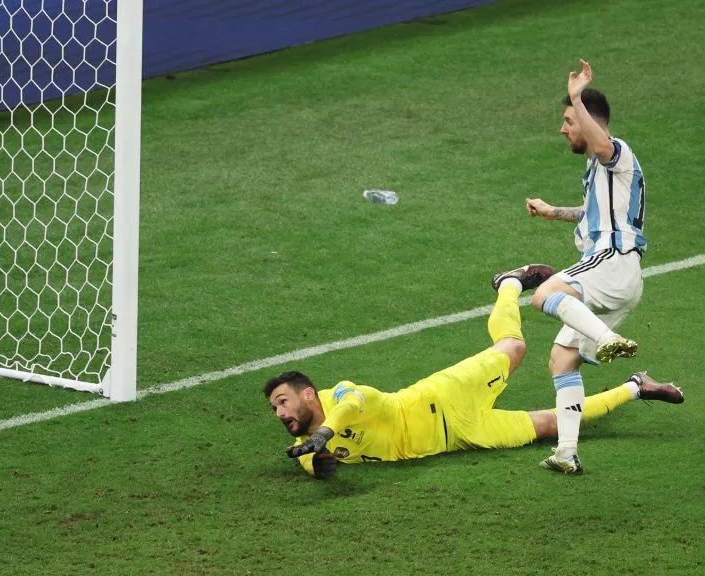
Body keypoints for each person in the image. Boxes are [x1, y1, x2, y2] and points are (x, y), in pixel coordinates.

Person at [264, 265, 681, 479]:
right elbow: (317, 463)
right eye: (274, 409)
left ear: (308, 394)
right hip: (460, 438)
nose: (280, 413)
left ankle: (510, 283)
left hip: (444, 397)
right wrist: (316, 458)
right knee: (553, 425)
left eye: (282, 401)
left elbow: (356, 403)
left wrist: (324, 433)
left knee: (514, 347)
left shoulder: (340, 396)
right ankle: (636, 387)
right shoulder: (306, 444)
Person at [518, 60, 648, 473]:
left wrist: (577, 96)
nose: (563, 129)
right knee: (561, 358)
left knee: (544, 294)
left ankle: (608, 337)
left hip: (612, 262)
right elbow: (592, 213)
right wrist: (552, 212)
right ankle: (566, 453)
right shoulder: (596, 169)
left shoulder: (618, 153)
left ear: (590, 122)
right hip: (620, 275)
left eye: (569, 120)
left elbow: (604, 144)